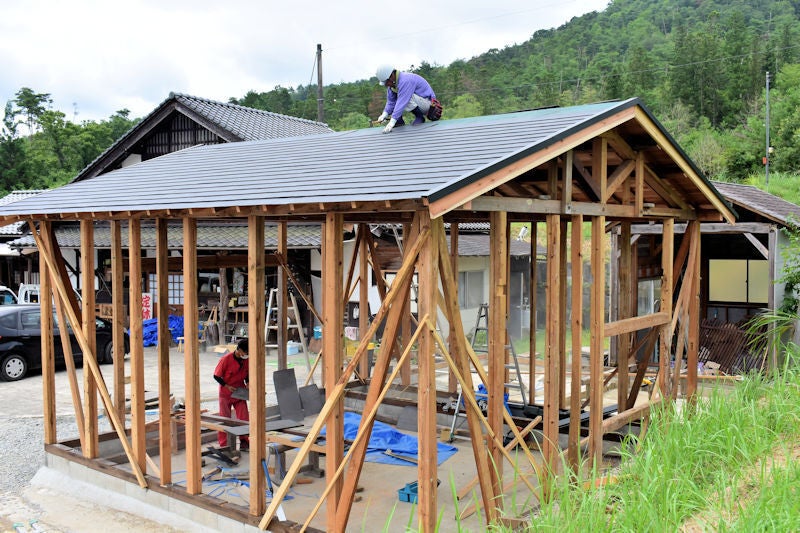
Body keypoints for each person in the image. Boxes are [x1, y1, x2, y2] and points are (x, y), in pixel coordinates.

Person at [374, 65, 439, 133]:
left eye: (386, 82)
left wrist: (392, 122)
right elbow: (391, 102)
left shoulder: (405, 81)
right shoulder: (392, 86)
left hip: (428, 104)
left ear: (392, 76)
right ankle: (399, 121)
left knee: (405, 97)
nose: (386, 85)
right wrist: (384, 114)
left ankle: (420, 117)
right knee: (400, 97)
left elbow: (402, 101)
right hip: (419, 102)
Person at [213, 338, 250, 450]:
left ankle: (244, 441)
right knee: (225, 419)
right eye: (246, 352)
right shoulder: (225, 359)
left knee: (244, 418)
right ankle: (224, 445)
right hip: (226, 393)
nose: (247, 354)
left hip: (240, 393)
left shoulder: (246, 360)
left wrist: (248, 382)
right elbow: (216, 376)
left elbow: (247, 373)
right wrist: (227, 386)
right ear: (239, 350)